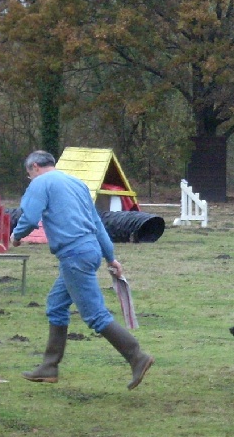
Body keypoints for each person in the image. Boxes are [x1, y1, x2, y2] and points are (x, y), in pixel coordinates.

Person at [10, 150, 154, 390]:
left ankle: (137, 356)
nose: (30, 179)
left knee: (95, 315)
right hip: (89, 250)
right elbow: (97, 223)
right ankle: (49, 367)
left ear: (34, 167)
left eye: (29, 174)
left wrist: (16, 236)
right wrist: (110, 257)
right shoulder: (76, 184)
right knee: (56, 305)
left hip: (73, 255)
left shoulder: (40, 183)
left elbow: (31, 217)